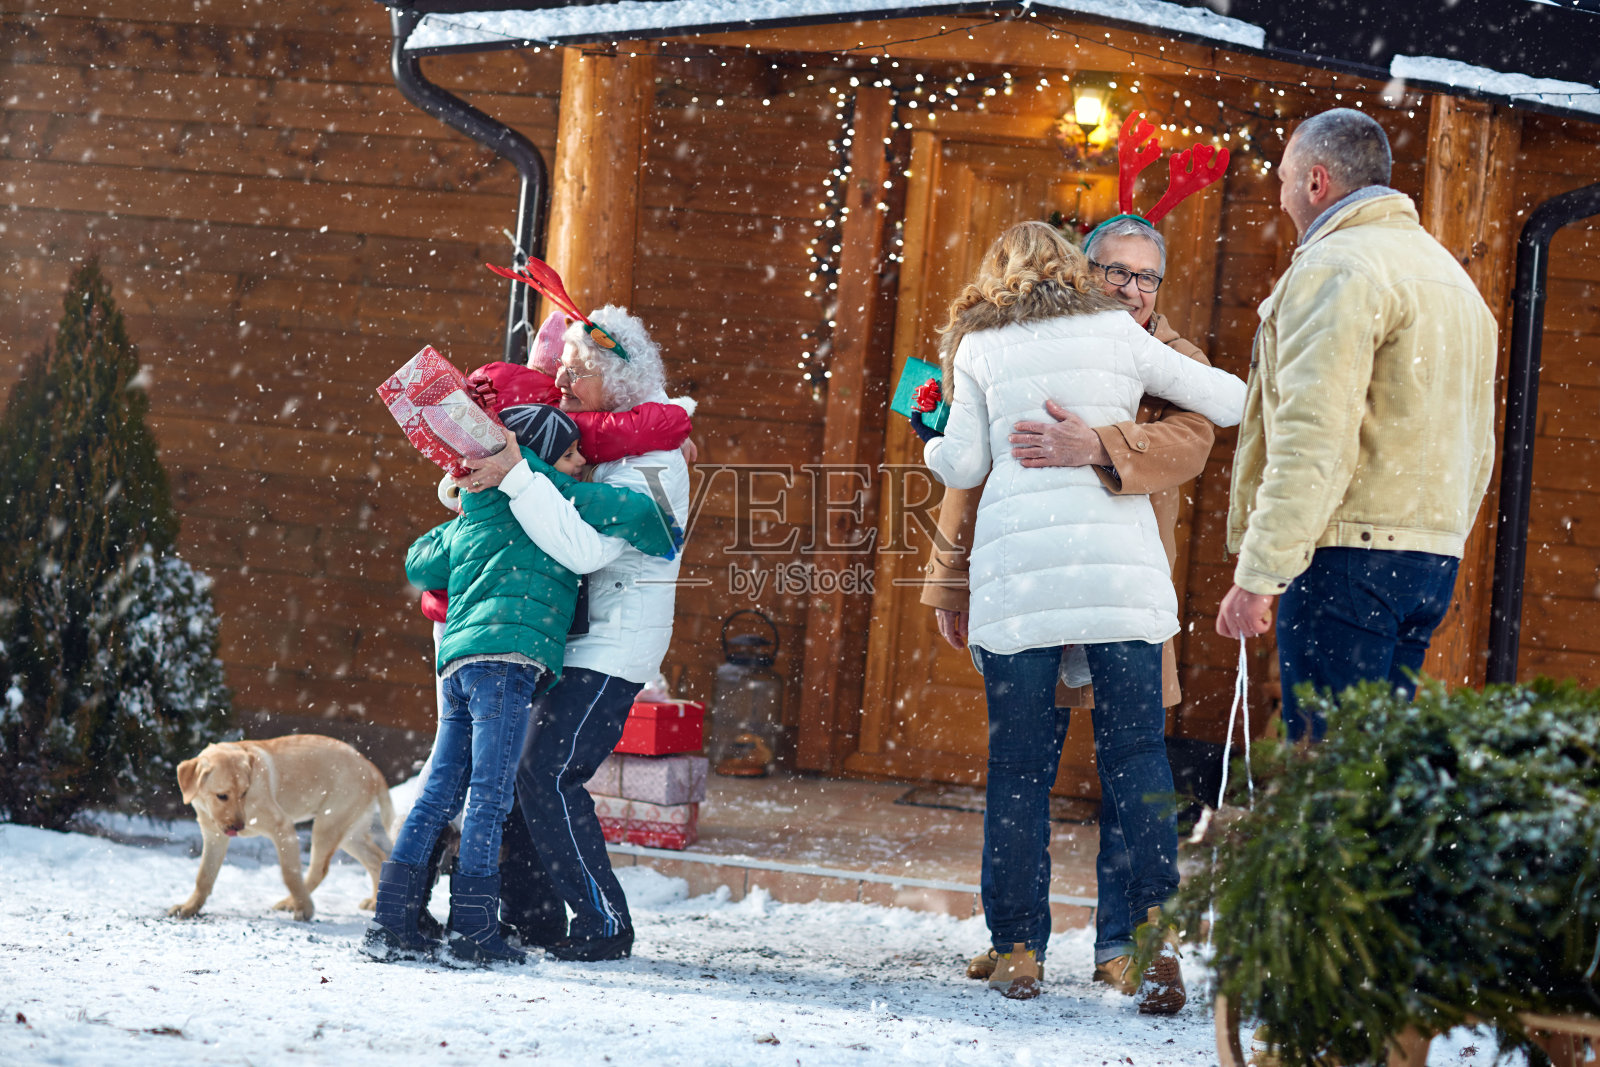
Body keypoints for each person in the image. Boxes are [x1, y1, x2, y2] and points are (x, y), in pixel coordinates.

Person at [913, 220, 1245, 1003]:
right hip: (1117, 585)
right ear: (1083, 271)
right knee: (1131, 763)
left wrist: (1096, 442)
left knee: (1031, 770)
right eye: (1117, 272)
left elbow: (962, 464)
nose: (1133, 289)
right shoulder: (1120, 340)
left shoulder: (987, 344)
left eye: (1147, 277)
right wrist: (946, 581)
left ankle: (1101, 944)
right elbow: (1233, 401)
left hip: (1034, 584)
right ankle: (1065, 939)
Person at [1215, 108, 1497, 742]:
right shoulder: (1453, 280)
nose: (1278, 192)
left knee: (1328, 775)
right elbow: (1480, 445)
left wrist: (1258, 577)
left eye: (1282, 177)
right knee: (1372, 782)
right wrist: (1441, 539)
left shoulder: (1337, 268)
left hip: (1349, 560)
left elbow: (1313, 435)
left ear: (1316, 183)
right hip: (1428, 562)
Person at [363, 404, 679, 967]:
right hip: (508, 663)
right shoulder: (550, 496)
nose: (580, 463)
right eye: (569, 453)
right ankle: (475, 930)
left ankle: (392, 921)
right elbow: (634, 513)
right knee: (489, 795)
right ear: (537, 456)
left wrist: (465, 503)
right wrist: (662, 518)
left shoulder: (478, 506)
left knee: (440, 791)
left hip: (457, 661)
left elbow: (419, 563)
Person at [461, 304, 691, 963]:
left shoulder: (656, 462)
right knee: (528, 770)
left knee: (547, 772)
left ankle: (602, 921)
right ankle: (531, 917)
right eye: (560, 367)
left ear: (618, 381)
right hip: (567, 637)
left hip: (615, 643)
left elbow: (587, 550)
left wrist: (520, 476)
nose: (561, 382)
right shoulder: (595, 441)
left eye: (577, 372)